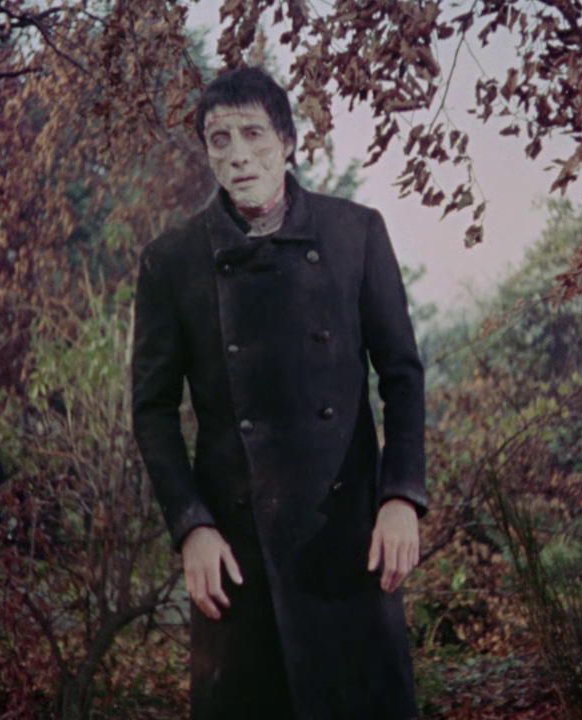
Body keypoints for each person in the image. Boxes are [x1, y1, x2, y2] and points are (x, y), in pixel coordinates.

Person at [132, 66, 427, 720]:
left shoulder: (356, 234)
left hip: (347, 540)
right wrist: (192, 528)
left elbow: (402, 375)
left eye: (253, 134)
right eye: (219, 139)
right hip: (236, 552)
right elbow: (152, 412)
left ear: (288, 142)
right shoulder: (171, 260)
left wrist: (401, 498)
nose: (238, 155)